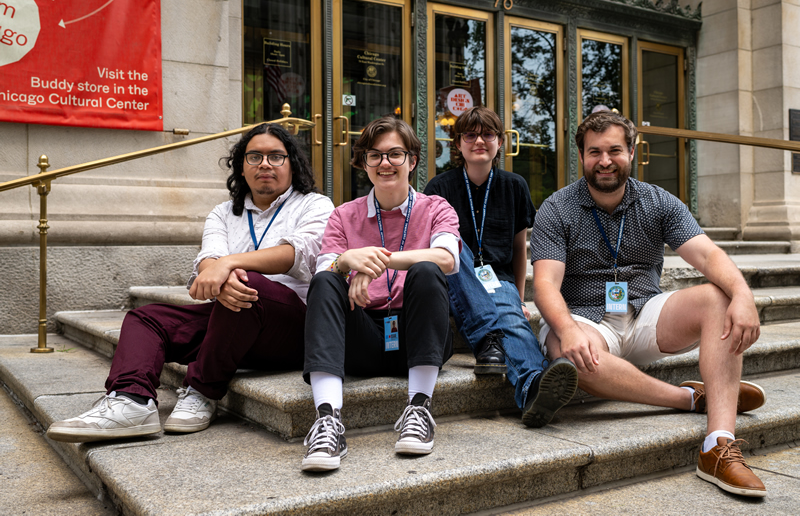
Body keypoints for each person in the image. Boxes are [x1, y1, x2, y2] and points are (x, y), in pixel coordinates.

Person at [47, 123, 334, 443]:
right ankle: (131, 401)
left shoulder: (315, 205)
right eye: (254, 156)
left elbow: (295, 253)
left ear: (292, 164)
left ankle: (202, 390)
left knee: (246, 284)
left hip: (291, 330)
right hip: (232, 323)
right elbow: (209, 258)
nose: (265, 164)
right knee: (147, 318)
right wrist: (218, 270)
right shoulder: (224, 213)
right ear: (241, 166)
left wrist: (228, 265)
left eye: (276, 157)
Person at [531, 110, 767, 497]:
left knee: (717, 297)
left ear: (632, 151)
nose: (605, 161)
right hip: (586, 320)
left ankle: (718, 446)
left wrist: (743, 295)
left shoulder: (658, 202)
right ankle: (690, 397)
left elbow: (708, 256)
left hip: (644, 312)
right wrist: (569, 329)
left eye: (614, 150)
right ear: (581, 156)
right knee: (565, 352)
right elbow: (545, 285)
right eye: (594, 152)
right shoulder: (557, 208)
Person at [301, 116, 461, 472]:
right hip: (364, 336)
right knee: (326, 282)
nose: (384, 163)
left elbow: (448, 259)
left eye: (394, 154)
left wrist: (377, 262)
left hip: (418, 333)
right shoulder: (343, 215)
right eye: (374, 156)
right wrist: (345, 263)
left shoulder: (436, 208)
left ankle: (419, 409)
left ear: (413, 161)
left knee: (428, 269)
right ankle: (327, 421)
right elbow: (325, 271)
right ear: (364, 163)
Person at [424, 106, 578, 428]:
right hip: (453, 280)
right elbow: (433, 251)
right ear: (458, 144)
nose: (479, 140)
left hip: (499, 280)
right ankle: (502, 352)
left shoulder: (514, 185)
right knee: (454, 246)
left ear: (500, 142)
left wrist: (520, 297)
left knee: (509, 313)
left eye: (488, 134)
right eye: (470, 134)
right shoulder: (439, 187)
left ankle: (534, 386)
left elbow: (519, 248)